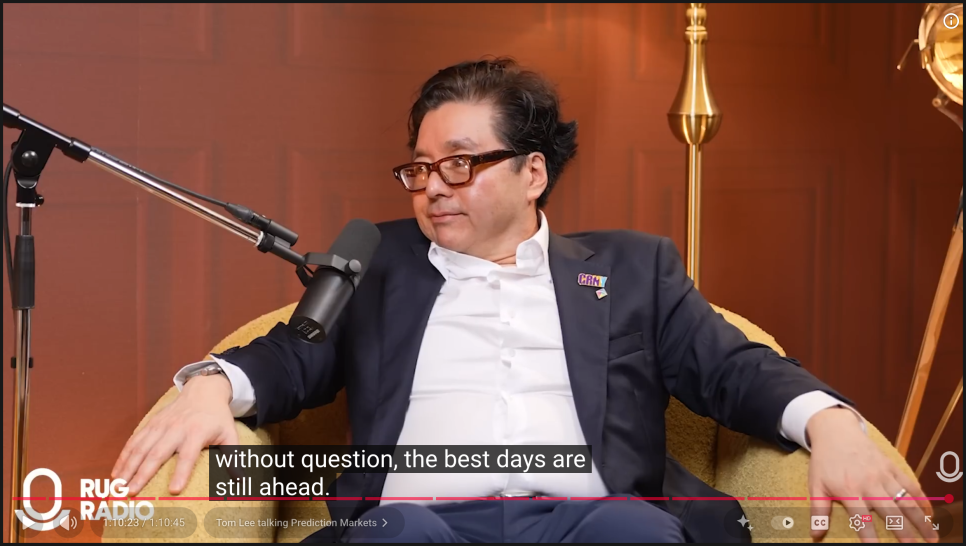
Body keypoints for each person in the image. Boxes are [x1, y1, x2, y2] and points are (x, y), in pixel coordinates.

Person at [112, 57, 938, 543]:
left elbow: (733, 369)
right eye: (420, 167)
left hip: (591, 521)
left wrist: (831, 421)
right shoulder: (380, 260)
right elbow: (293, 356)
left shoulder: (633, 269)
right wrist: (212, 385)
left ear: (532, 172)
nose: (433, 187)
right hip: (420, 522)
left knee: (639, 532)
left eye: (460, 163)